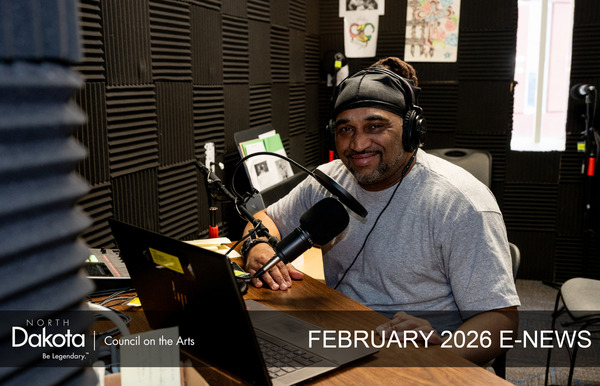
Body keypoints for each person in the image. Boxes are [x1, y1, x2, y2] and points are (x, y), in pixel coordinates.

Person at [241, 57, 520, 365]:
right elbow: (263, 218)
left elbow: (500, 323)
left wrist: (437, 354)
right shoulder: (327, 180)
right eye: (346, 129)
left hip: (421, 364)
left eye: (375, 126)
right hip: (340, 342)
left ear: (412, 130)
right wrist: (259, 245)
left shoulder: (462, 204)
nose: (358, 144)